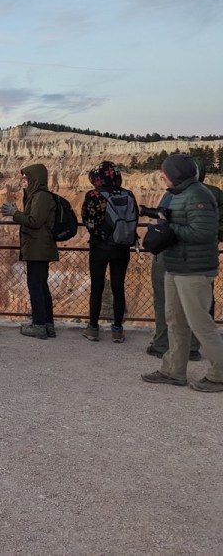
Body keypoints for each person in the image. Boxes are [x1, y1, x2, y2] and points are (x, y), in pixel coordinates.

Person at [142, 155, 223, 392]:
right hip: (176, 267)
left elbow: (203, 232)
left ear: (176, 173)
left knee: (200, 324)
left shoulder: (198, 195)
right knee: (175, 322)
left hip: (194, 270)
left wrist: (167, 228)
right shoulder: (180, 193)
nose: (161, 176)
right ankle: (173, 371)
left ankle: (219, 374)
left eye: (165, 172)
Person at [79, 161, 137, 344]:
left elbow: (87, 219)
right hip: (122, 247)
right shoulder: (128, 194)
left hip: (100, 248)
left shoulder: (93, 195)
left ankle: (93, 328)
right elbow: (135, 217)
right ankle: (118, 330)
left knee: (97, 288)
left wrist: (98, 234)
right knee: (118, 288)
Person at [0, 165, 58, 340]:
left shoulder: (41, 196)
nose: (23, 181)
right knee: (41, 285)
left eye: (26, 178)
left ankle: (39, 325)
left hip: (38, 248)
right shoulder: (36, 196)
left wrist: (14, 213)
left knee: (36, 286)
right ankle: (47, 325)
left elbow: (34, 221)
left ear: (34, 179)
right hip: (37, 247)